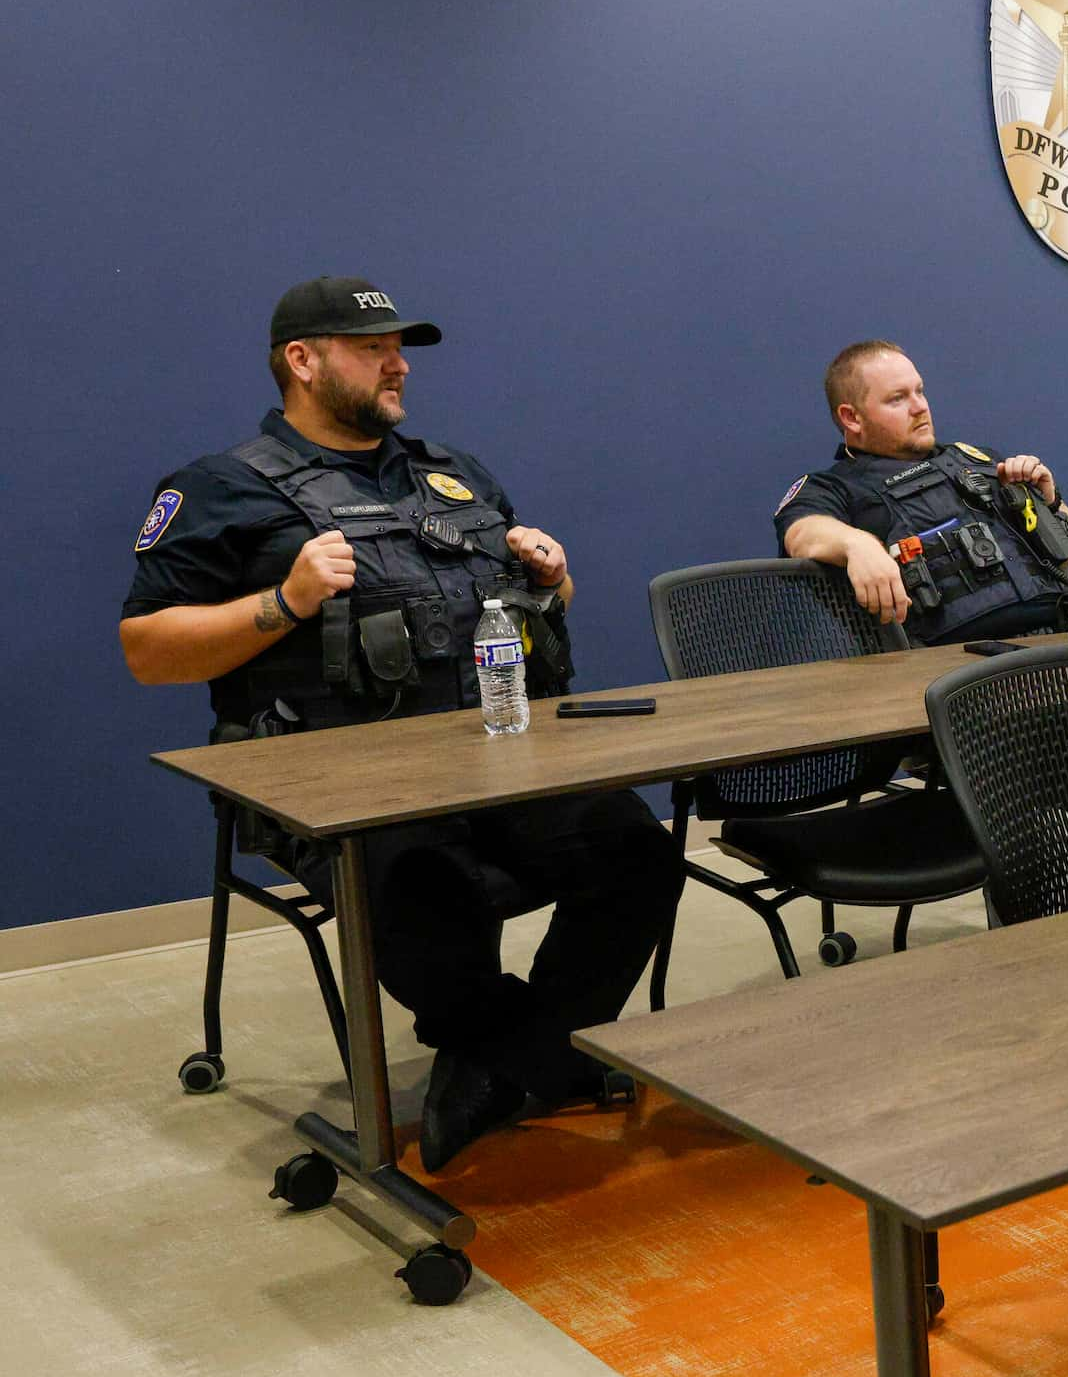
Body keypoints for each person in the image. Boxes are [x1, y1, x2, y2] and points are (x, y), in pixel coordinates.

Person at [120, 278, 682, 1169]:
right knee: (426, 888)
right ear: (302, 362)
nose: (397, 363)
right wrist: (284, 600)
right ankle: (533, 1058)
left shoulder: (450, 473)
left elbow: (542, 606)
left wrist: (548, 576)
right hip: (338, 787)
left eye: (399, 345)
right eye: (371, 346)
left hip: (493, 758)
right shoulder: (219, 488)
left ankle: (504, 1064)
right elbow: (148, 651)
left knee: (637, 853)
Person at [775, 341, 1068, 645]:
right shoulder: (837, 487)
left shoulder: (981, 460)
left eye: (920, 391)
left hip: (1061, 635)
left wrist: (1050, 504)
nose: (920, 407)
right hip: (954, 668)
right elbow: (802, 532)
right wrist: (856, 544)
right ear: (852, 417)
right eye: (897, 398)